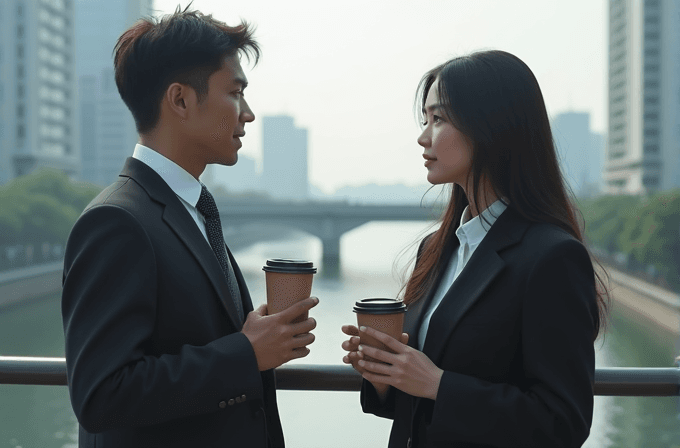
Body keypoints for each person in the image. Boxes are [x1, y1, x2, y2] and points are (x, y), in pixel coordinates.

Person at [61, 5, 318, 447]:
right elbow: (101, 395)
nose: (248, 113)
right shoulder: (117, 221)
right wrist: (246, 353)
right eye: (235, 92)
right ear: (180, 100)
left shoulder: (194, 208)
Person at [341, 50, 609, 448]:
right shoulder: (437, 248)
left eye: (439, 119)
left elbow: (562, 422)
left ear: (490, 128)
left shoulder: (552, 257)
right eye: (425, 119)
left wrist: (438, 385)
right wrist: (386, 374)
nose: (423, 136)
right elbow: (418, 406)